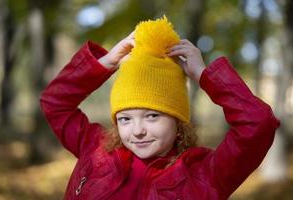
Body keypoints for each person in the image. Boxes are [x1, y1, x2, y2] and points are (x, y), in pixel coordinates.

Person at [40, 16, 280, 200]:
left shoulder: (206, 174)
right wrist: (108, 62)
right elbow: (55, 102)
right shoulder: (95, 149)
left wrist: (204, 76)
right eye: (125, 119)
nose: (137, 131)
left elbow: (259, 123)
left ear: (178, 121)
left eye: (152, 116)